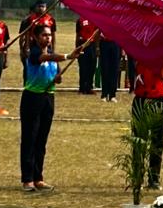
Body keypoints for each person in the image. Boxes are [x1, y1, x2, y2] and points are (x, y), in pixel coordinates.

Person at [20, 23, 83, 194]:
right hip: (33, 98)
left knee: (41, 140)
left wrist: (57, 78)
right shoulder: (34, 52)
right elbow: (43, 59)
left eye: (49, 35)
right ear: (36, 37)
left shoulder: (51, 53)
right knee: (30, 139)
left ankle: (38, 177)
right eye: (44, 35)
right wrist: (68, 55)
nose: (48, 38)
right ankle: (27, 179)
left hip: (48, 97)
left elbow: (57, 75)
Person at [131, 57, 163, 190]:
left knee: (157, 142)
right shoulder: (139, 51)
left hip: (160, 99)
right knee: (139, 141)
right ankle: (137, 177)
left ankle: (154, 178)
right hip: (141, 99)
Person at [18, 0, 57, 66]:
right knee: (33, 64)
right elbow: (27, 34)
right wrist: (27, 47)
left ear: (46, 8)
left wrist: (53, 48)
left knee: (49, 64)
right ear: (35, 7)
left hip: (47, 45)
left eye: (43, 6)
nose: (41, 8)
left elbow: (53, 35)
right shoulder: (30, 19)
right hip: (34, 45)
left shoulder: (51, 19)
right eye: (39, 6)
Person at [75, 15, 99, 94]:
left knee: (92, 67)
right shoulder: (80, 20)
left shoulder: (95, 20)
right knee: (83, 67)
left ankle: (89, 87)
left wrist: (97, 47)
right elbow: (77, 35)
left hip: (92, 45)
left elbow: (97, 35)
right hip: (83, 45)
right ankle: (82, 88)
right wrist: (77, 48)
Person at [98, 32, 122, 102]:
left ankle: (112, 95)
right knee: (105, 69)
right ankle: (104, 94)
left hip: (115, 42)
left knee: (114, 69)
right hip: (104, 42)